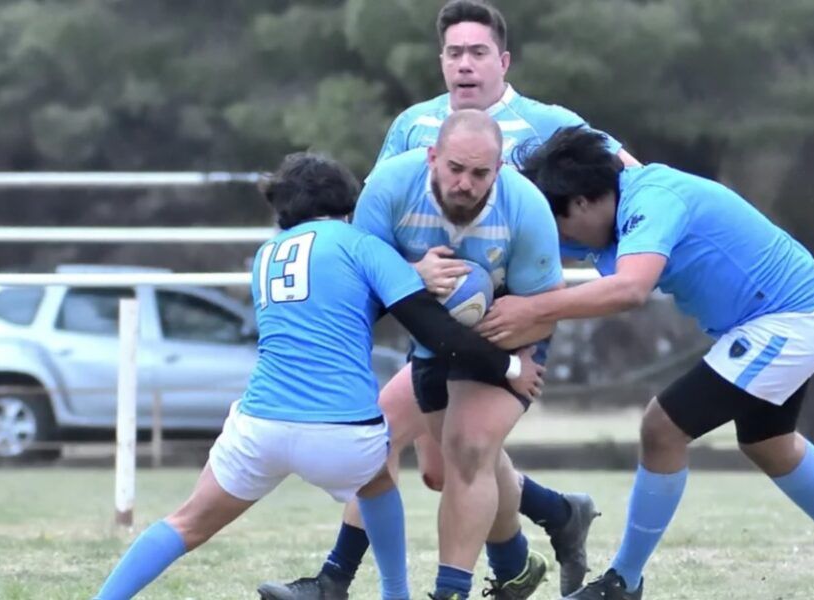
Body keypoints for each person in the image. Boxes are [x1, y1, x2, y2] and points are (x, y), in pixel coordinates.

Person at [259, 1, 638, 598]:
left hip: (516, 313)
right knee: (440, 465)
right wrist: (411, 273)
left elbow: (631, 183)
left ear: (503, 61)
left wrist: (630, 258)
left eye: (478, 52)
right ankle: (546, 527)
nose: (465, 64)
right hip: (434, 318)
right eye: (455, 52)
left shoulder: (548, 124)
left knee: (454, 445)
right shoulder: (414, 128)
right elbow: (372, 243)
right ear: (441, 62)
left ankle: (342, 581)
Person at [92, 152, 543, 600]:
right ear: (348, 201)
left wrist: (406, 275)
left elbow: (336, 304)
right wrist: (509, 366)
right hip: (340, 433)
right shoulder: (362, 245)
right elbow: (435, 332)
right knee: (377, 483)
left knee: (186, 523)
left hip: (260, 426)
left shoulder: (266, 256)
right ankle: (396, 594)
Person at [476, 126, 814, 600]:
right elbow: (528, 247)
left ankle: (623, 582)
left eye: (563, 224)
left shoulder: (652, 201)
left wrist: (530, 311)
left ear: (584, 202)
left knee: (663, 429)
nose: (563, 239)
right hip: (774, 321)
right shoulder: (597, 212)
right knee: (769, 444)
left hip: (790, 319)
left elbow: (631, 289)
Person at [365, 109, 561, 600]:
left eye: (479, 174)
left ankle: (449, 590)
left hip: (507, 333)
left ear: (499, 171)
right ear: (432, 156)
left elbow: (545, 309)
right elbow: (360, 282)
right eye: (454, 168)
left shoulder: (525, 206)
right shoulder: (389, 189)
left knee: (470, 446)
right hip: (429, 336)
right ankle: (520, 559)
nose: (465, 184)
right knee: (443, 469)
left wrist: (510, 357)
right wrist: (410, 275)